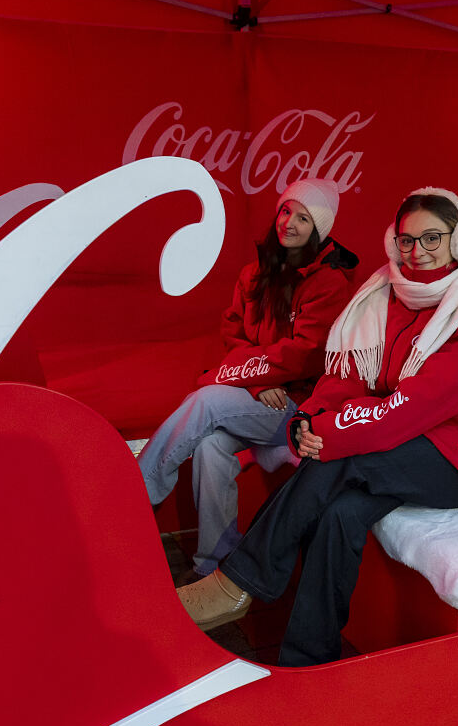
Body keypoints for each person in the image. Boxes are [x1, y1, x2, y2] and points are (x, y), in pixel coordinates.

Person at [177, 187, 458, 666]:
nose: (416, 252)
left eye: (432, 239)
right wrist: (308, 417)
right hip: (389, 443)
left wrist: (333, 435)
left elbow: (417, 404)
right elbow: (345, 377)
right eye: (406, 241)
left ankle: (242, 580)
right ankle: (310, 654)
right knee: (342, 511)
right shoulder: (383, 297)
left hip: (456, 455)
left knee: (337, 462)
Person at [138, 178, 357, 584]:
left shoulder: (329, 283)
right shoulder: (255, 272)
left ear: (320, 229)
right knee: (210, 447)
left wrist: (253, 376)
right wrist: (255, 382)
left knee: (205, 402)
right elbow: (233, 333)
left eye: (304, 218)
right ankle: (214, 564)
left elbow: (304, 354)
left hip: (297, 408)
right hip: (259, 396)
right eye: (286, 211)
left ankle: (134, 497)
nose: (289, 223)